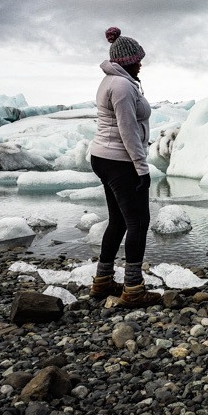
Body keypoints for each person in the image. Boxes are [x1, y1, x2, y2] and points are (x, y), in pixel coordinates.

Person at [88, 27, 161, 308]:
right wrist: (141, 168)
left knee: (119, 221)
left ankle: (103, 282)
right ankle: (133, 289)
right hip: (119, 161)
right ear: (127, 61)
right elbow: (127, 129)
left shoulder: (115, 82)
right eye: (137, 60)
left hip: (106, 158)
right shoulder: (120, 86)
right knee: (138, 223)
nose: (141, 63)